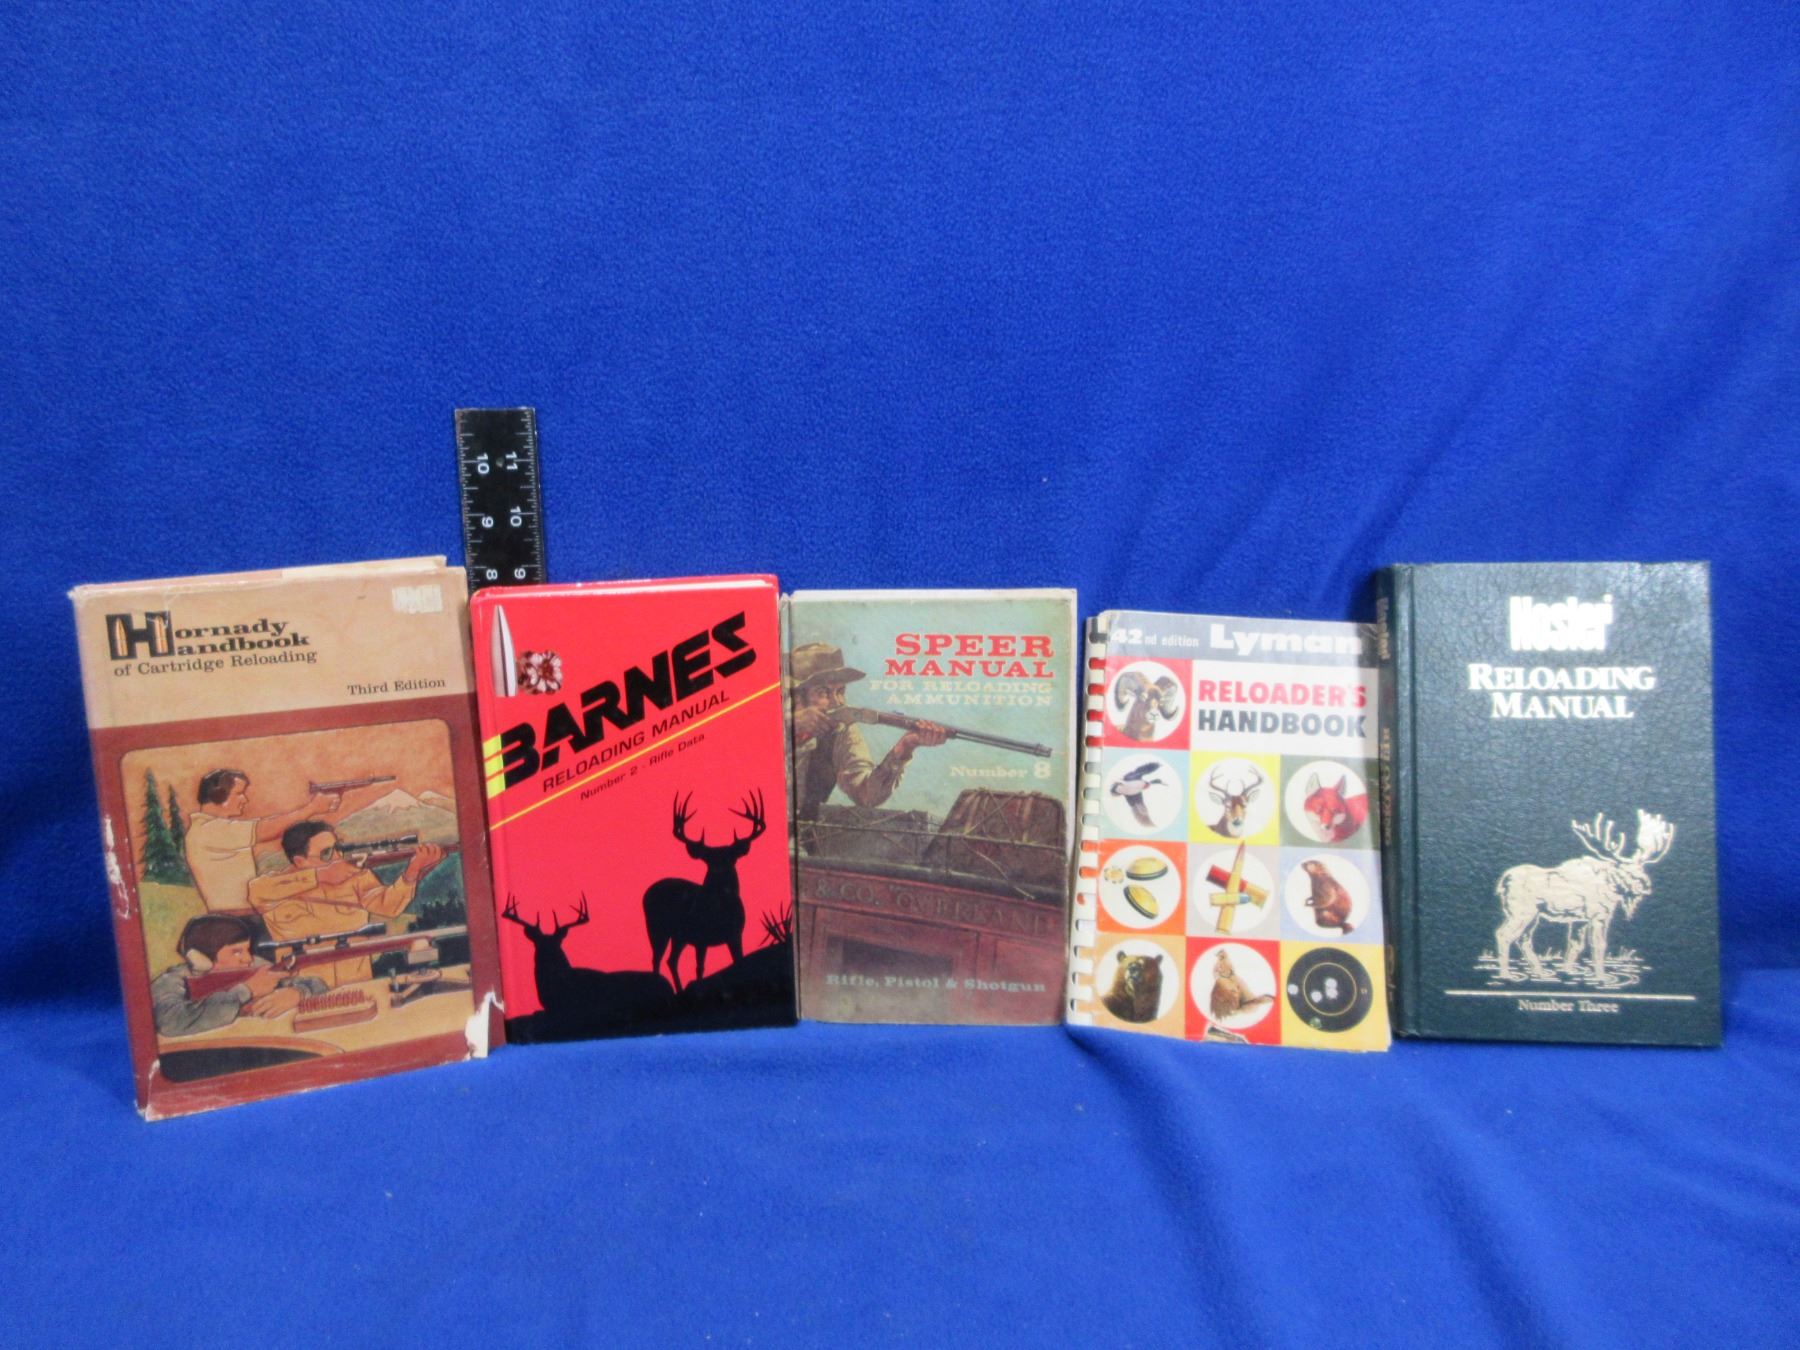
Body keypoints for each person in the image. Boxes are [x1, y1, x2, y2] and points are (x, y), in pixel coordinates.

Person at [247, 822, 444, 986]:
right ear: (299, 861)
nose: (337, 857)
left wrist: (412, 872)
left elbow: (388, 906)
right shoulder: (274, 887)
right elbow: (256, 890)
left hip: (357, 982)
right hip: (301, 989)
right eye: (326, 853)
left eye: (338, 849)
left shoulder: (354, 876)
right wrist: (319, 876)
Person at [788, 642, 949, 824]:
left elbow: (867, 795)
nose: (837, 702)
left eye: (840, 691)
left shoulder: (840, 730)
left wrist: (904, 748)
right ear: (796, 697)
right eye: (823, 692)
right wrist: (790, 726)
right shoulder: (771, 720)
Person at [182, 769, 344, 913]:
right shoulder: (208, 829)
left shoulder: (211, 828)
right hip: (238, 917)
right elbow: (264, 829)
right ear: (219, 796)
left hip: (245, 913)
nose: (245, 799)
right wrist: (311, 808)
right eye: (239, 793)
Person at [149, 914, 327, 1038]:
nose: (248, 959)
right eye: (236, 952)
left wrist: (297, 993)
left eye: (247, 950)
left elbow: (317, 984)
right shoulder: (172, 980)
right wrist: (246, 990)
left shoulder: (254, 965)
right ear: (201, 958)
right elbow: (170, 1022)